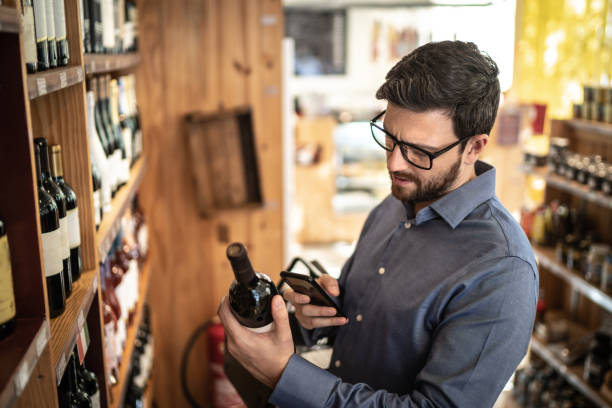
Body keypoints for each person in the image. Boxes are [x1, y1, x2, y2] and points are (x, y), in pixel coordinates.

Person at [218, 40, 538, 408]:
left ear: (474, 147)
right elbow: (362, 322)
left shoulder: (503, 269)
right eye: (389, 137)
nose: (394, 164)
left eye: (419, 151)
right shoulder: (394, 205)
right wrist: (317, 320)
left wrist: (283, 376)